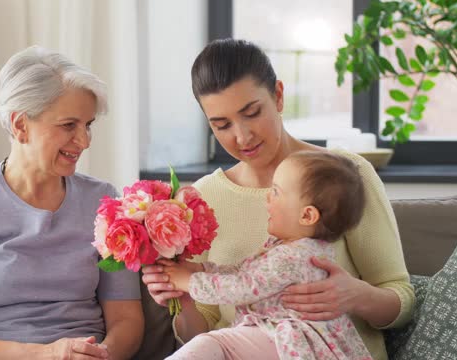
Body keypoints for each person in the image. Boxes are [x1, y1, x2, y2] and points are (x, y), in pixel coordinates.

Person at [142, 39, 415, 360]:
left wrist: (356, 296)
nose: (242, 136)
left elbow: (401, 297)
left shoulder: (344, 175)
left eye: (252, 113)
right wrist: (182, 294)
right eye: (222, 125)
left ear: (279, 96)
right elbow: (203, 335)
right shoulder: (201, 198)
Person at [0, 46, 143, 360]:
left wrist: (99, 355)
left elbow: (127, 319)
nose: (84, 141)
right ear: (20, 125)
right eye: (69, 125)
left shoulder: (103, 201)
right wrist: (45, 355)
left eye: (88, 125)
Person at [163, 151, 372, 360]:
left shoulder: (294, 257)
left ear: (307, 215)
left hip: (289, 340)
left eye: (276, 191)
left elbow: (243, 287)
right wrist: (201, 269)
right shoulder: (291, 247)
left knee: (211, 344)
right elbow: (242, 271)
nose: (267, 196)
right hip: (274, 338)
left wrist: (189, 282)